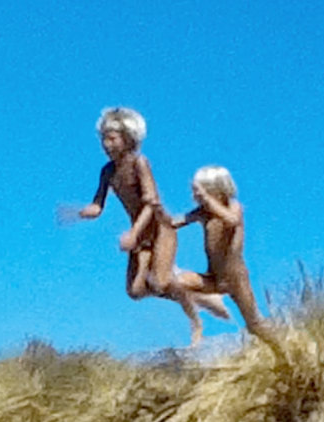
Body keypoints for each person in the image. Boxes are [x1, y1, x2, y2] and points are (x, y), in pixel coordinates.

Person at [78, 108, 228, 346]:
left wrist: (134, 233)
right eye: (103, 139)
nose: (106, 145)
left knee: (161, 282)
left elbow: (151, 203)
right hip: (140, 236)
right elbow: (98, 204)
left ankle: (200, 314)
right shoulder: (107, 171)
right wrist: (87, 211)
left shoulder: (139, 163)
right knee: (136, 290)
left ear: (129, 139)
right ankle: (195, 294)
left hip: (160, 230)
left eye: (112, 139)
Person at [172, 166, 285, 359]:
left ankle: (284, 353)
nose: (196, 196)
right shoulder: (203, 212)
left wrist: (208, 201)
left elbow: (232, 220)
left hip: (236, 279)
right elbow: (176, 221)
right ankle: (198, 325)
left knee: (255, 325)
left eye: (200, 191)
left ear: (217, 189)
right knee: (176, 282)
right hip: (214, 277)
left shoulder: (233, 207)